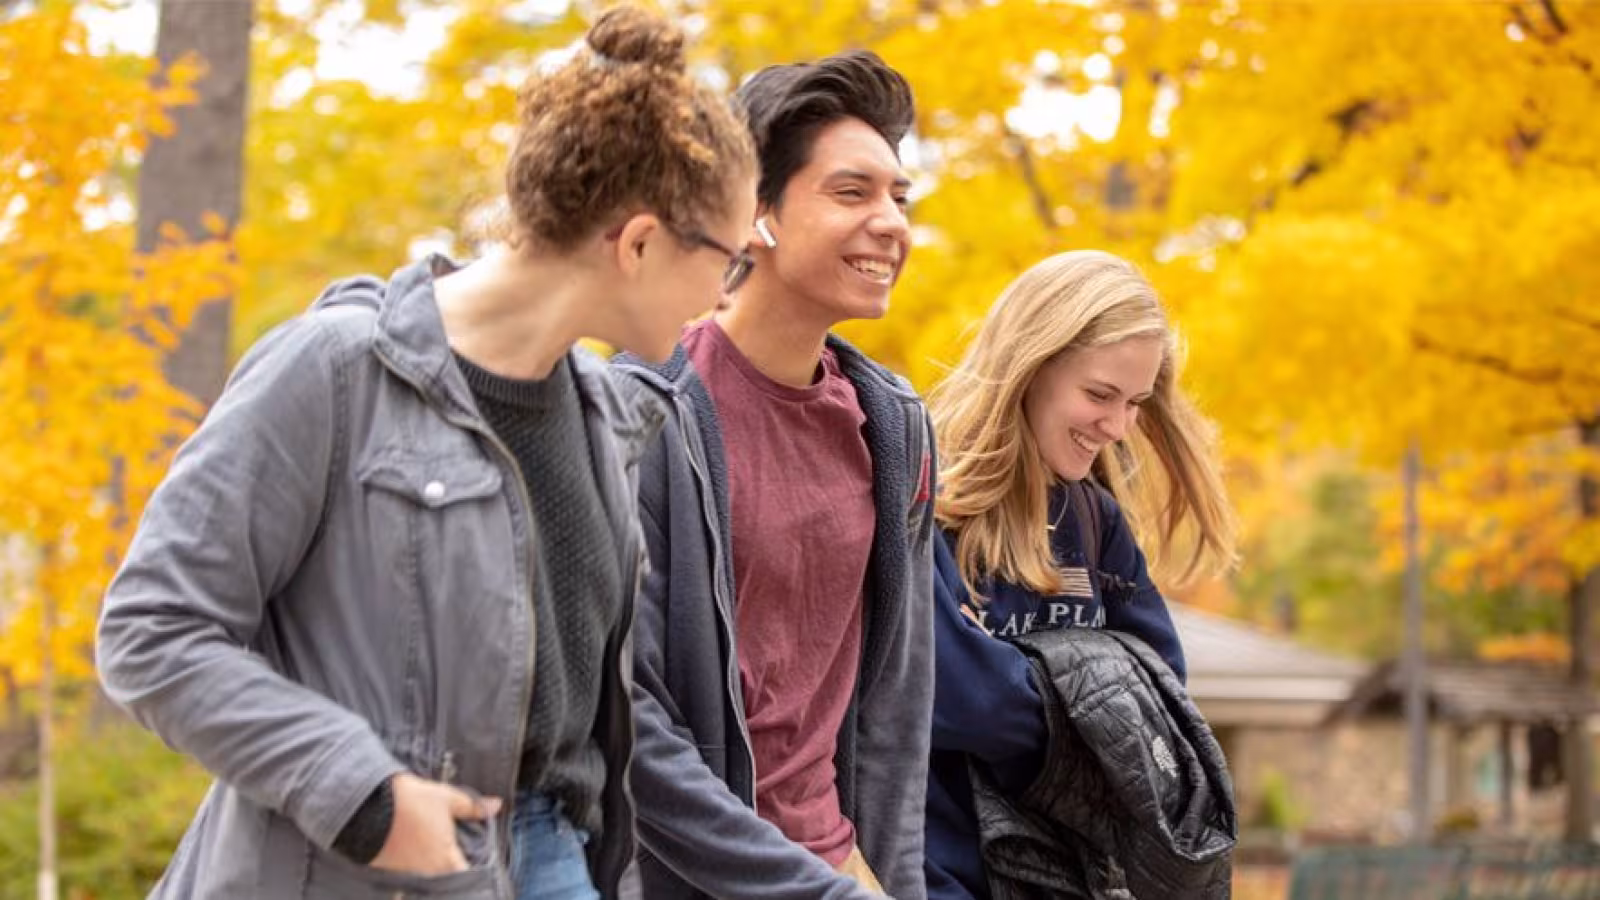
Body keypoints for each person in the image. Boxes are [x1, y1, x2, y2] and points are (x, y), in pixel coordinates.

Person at [94, 8, 757, 898]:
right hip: (354, 864)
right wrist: (362, 793)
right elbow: (152, 629)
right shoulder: (333, 370)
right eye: (730, 260)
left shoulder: (607, 424)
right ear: (638, 243)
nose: (725, 297)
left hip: (551, 860)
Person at [611, 50, 935, 900]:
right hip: (694, 877)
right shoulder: (644, 412)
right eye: (851, 192)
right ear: (759, 213)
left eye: (899, 199)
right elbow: (630, 718)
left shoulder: (894, 428)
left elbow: (897, 710)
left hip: (840, 867)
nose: (891, 223)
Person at [922, 250, 1238, 900]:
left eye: (1134, 403)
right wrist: (1089, 696)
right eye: (1099, 395)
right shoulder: (927, 503)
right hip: (940, 873)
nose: (1118, 426)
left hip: (1074, 880)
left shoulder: (1098, 523)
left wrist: (1034, 688)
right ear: (1029, 367)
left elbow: (1158, 697)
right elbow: (953, 695)